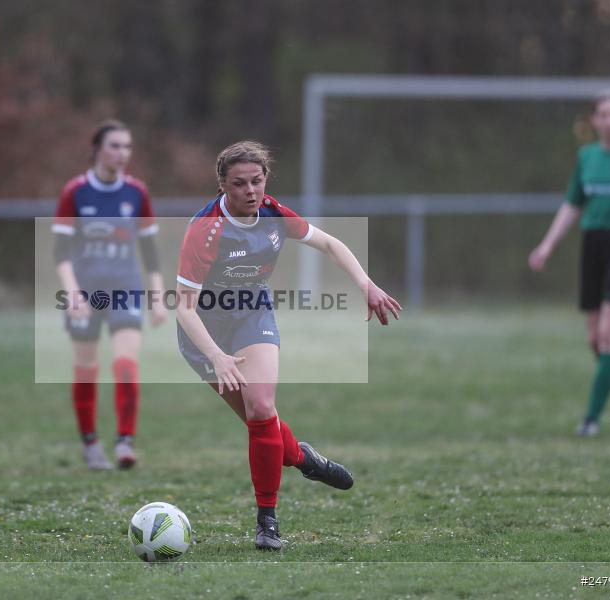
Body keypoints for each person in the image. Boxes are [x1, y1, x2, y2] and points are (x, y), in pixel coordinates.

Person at [174, 141, 401, 550]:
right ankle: (304, 459)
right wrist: (216, 356)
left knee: (261, 409)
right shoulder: (205, 230)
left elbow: (331, 244)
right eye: (239, 183)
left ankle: (267, 521)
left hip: (251, 315)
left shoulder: (275, 214)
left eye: (256, 181)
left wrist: (365, 284)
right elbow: (184, 309)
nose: (250, 191)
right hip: (204, 334)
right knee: (261, 426)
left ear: (266, 180)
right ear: (222, 185)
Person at [529, 90, 610, 436]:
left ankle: (591, 420)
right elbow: (572, 205)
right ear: (595, 121)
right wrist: (547, 245)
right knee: (595, 340)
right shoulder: (587, 157)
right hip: (593, 245)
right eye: (604, 114)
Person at [53, 120, 167, 470]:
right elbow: (61, 253)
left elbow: (150, 250)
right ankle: (90, 443)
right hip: (85, 292)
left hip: (126, 289)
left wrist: (158, 294)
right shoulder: (75, 191)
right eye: (115, 146)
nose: (122, 153)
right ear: (98, 149)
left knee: (125, 365)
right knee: (86, 369)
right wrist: (72, 293)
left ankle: (125, 442)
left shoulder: (136, 193)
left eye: (127, 146)